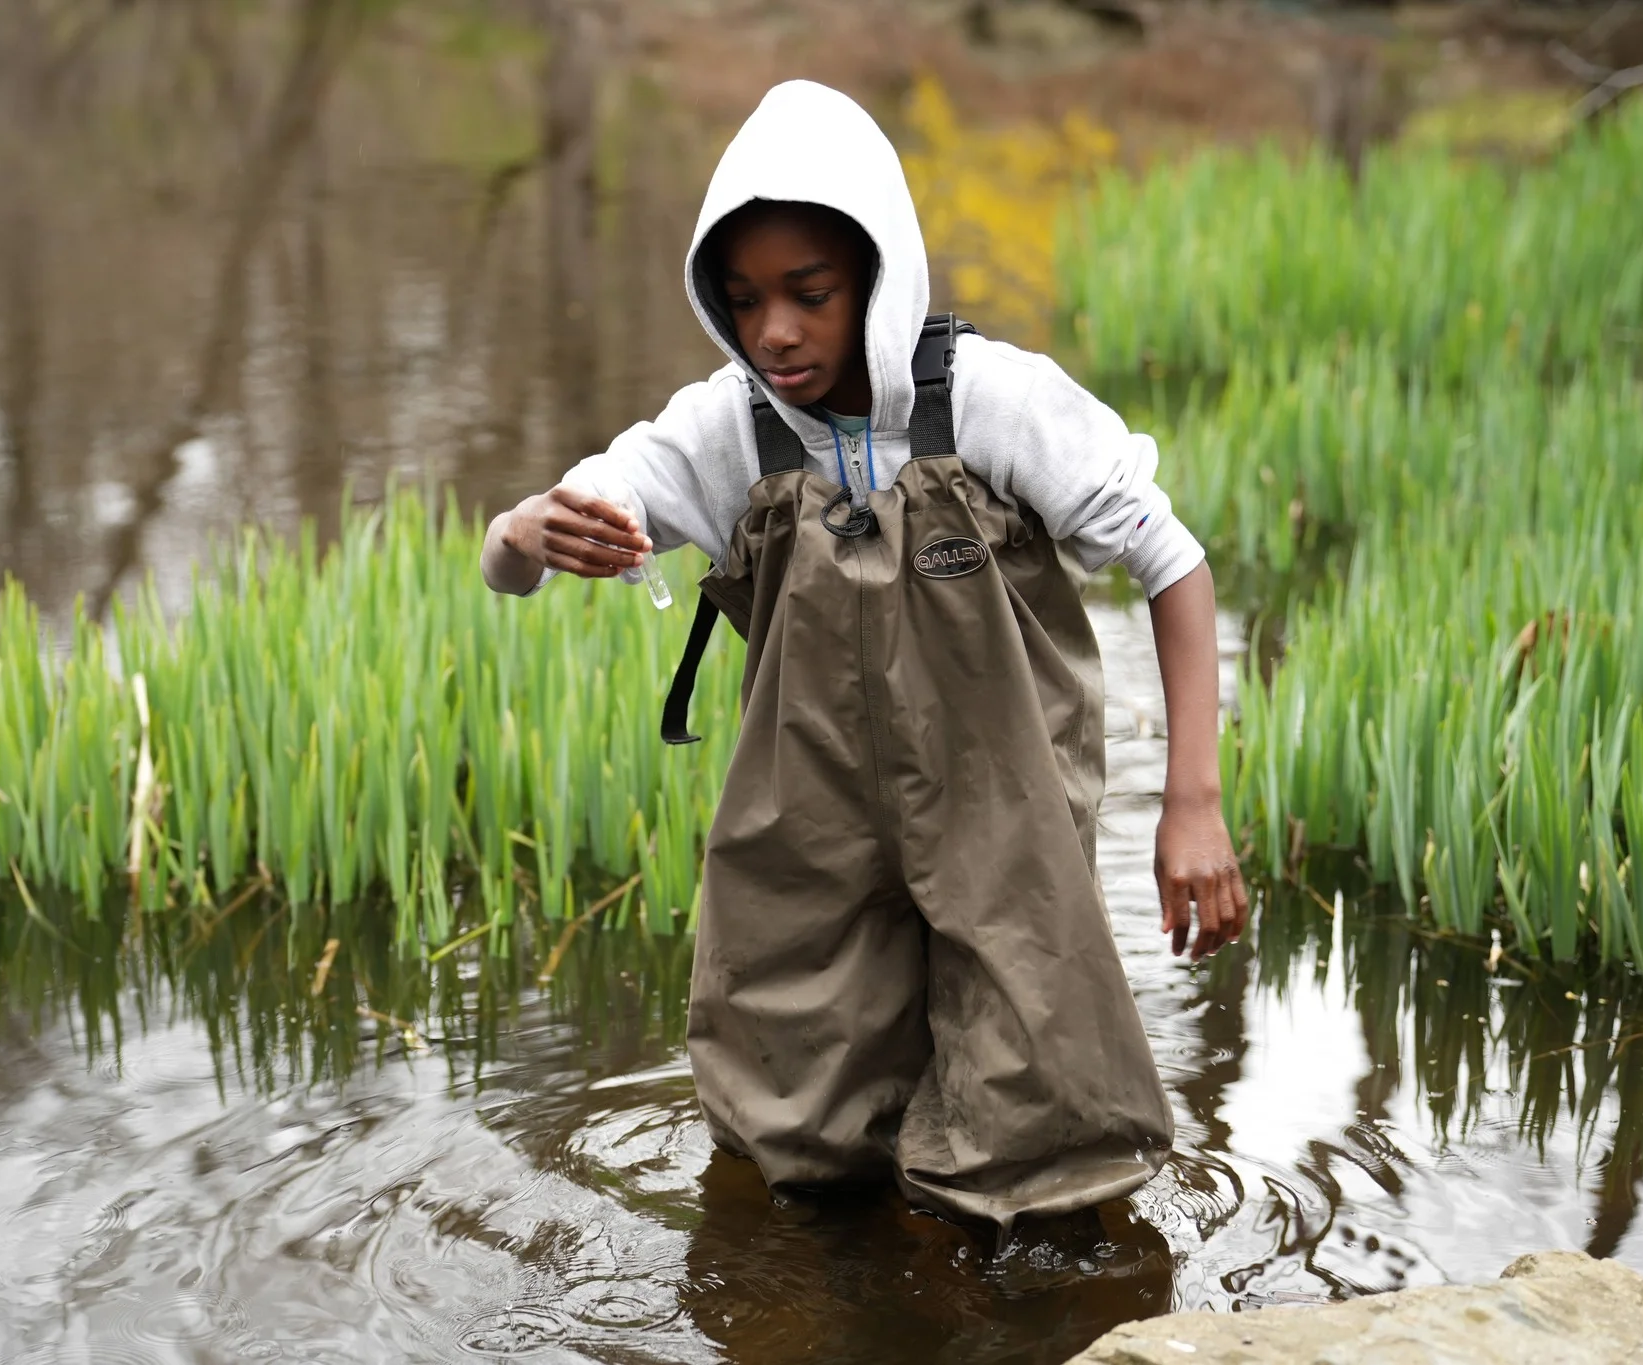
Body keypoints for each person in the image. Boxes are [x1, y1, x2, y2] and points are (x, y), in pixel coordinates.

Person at [480, 80, 1245, 1236]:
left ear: (878, 278)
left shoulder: (988, 403)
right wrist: (523, 534)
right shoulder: (727, 431)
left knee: (1035, 1101)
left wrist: (1192, 804)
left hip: (1004, 802)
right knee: (800, 1117)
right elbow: (517, 553)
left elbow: (1172, 563)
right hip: (807, 815)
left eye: (809, 294)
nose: (773, 332)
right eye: (741, 301)